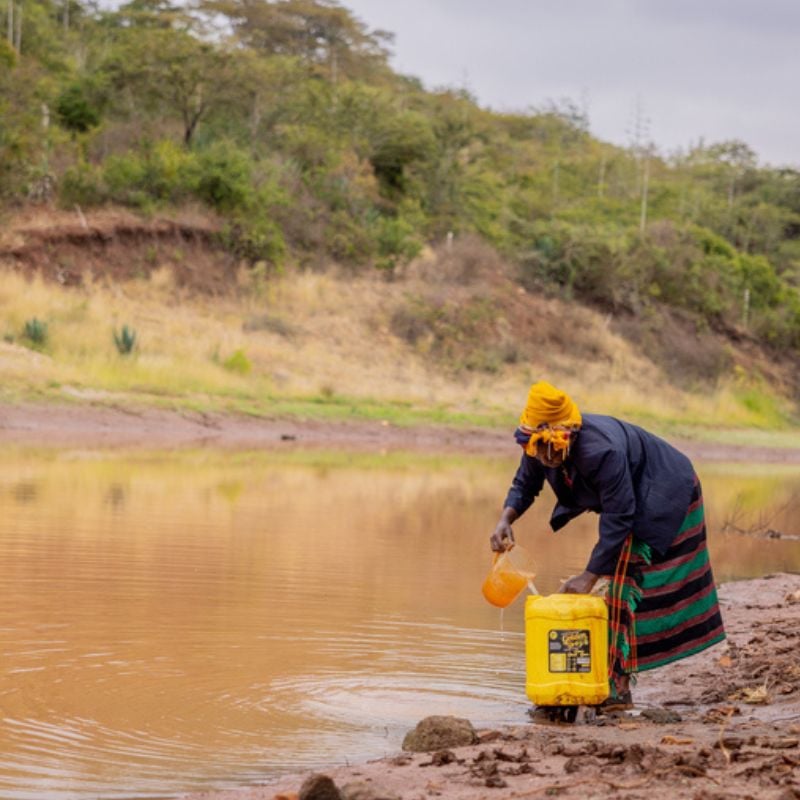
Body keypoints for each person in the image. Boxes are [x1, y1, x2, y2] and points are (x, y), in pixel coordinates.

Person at [490, 380, 726, 709]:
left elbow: (620, 516)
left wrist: (589, 574)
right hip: (631, 498)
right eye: (536, 450)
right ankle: (589, 676)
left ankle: (616, 688)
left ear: (566, 436)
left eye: (548, 449)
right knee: (611, 580)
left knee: (619, 585)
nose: (542, 457)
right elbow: (525, 483)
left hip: (665, 488)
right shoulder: (538, 446)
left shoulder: (602, 450)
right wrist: (506, 519)